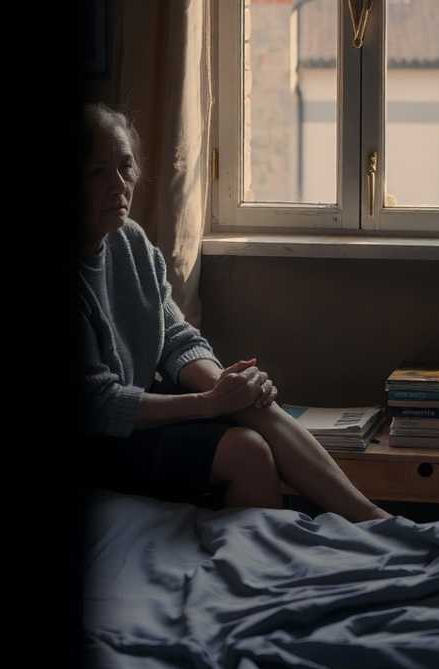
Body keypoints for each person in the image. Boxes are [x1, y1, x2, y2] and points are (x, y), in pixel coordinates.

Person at [77, 102, 390, 522]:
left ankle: (373, 520)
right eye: (98, 172)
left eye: (125, 166)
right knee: (247, 453)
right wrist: (208, 403)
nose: (119, 184)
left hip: (139, 417)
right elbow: (100, 404)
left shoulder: (130, 241)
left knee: (253, 406)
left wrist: (227, 388)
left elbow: (175, 337)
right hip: (100, 441)